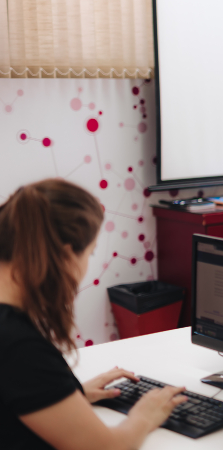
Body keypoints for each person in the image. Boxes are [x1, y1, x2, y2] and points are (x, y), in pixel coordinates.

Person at [0, 179, 187, 450]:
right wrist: (145, 414)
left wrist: (67, 395)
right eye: (90, 252)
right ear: (66, 256)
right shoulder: (18, 345)